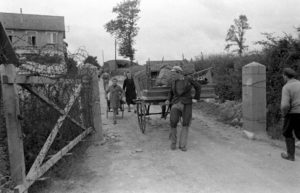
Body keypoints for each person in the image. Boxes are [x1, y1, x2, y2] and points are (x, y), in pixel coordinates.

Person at [165, 66, 201, 151]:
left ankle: (182, 145)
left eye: (174, 74)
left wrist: (196, 98)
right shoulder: (173, 81)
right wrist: (168, 99)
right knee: (173, 122)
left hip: (186, 103)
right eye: (172, 74)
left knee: (185, 124)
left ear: (179, 73)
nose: (172, 76)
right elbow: (170, 92)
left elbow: (198, 86)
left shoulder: (188, 79)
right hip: (176, 103)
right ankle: (173, 143)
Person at [280, 67, 300, 161]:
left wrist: (284, 114)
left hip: (293, 113)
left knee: (287, 132)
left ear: (285, 76)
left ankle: (290, 155)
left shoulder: (286, 87)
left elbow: (285, 105)